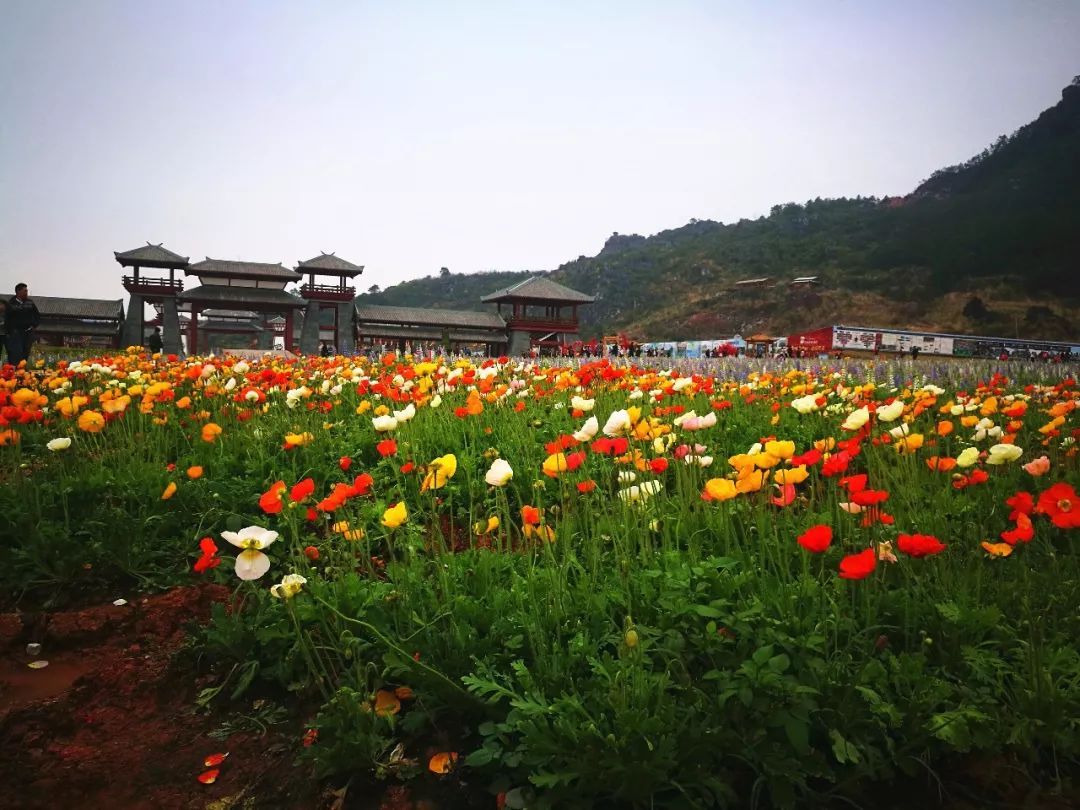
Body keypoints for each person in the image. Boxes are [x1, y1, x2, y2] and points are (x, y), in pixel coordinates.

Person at [5, 283, 40, 367]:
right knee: (16, 353)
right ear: (18, 291)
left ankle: (23, 374)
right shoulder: (11, 303)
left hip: (28, 332)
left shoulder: (30, 303)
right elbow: (7, 318)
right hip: (16, 333)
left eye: (27, 290)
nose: (27, 292)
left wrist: (34, 326)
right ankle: (14, 373)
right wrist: (10, 331)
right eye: (25, 291)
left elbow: (37, 316)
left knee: (25, 353)